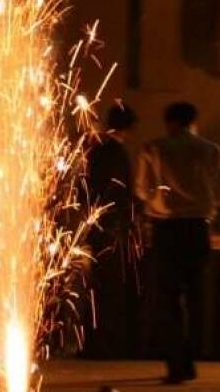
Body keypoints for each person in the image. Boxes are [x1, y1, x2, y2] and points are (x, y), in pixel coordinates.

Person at [134, 102, 220, 384]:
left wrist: (161, 200)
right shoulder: (212, 150)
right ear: (193, 122)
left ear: (169, 122)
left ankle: (178, 363)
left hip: (167, 230)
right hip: (198, 229)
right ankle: (193, 357)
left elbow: (142, 189)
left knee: (168, 300)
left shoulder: (153, 148)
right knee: (197, 298)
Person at [82, 103, 139, 359]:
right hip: (110, 227)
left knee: (96, 286)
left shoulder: (96, 149)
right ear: (128, 128)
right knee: (110, 288)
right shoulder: (117, 152)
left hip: (95, 223)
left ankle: (93, 341)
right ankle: (105, 343)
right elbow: (120, 191)